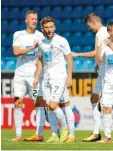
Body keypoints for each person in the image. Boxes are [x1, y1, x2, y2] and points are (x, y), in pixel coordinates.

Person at [77, 13, 113, 142]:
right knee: (102, 102)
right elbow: (101, 55)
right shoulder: (102, 32)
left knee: (108, 104)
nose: (88, 27)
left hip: (107, 76)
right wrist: (98, 65)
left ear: (93, 22)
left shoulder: (102, 33)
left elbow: (98, 53)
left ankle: (99, 133)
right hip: (104, 73)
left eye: (88, 24)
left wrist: (77, 54)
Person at [34, 16, 73, 142]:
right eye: (46, 27)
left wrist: (69, 77)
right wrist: (36, 77)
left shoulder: (61, 41)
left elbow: (70, 58)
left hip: (59, 77)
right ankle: (54, 134)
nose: (49, 29)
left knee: (54, 104)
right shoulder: (41, 43)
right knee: (48, 107)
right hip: (46, 78)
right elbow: (40, 60)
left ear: (54, 27)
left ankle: (64, 129)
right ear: (43, 29)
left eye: (51, 27)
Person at [12, 10, 45, 142]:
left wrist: (37, 76)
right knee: (18, 102)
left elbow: (41, 59)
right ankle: (18, 135)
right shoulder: (18, 34)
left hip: (33, 77)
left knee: (38, 103)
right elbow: (16, 52)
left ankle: (39, 133)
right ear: (26, 20)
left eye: (36, 19)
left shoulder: (40, 36)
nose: (34, 21)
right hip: (19, 75)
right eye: (32, 19)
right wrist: (32, 48)